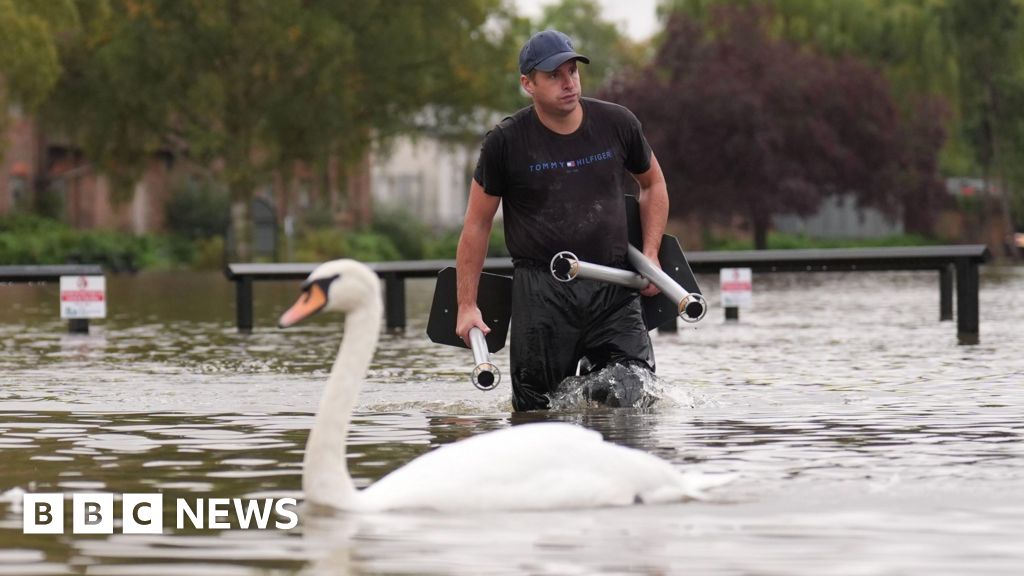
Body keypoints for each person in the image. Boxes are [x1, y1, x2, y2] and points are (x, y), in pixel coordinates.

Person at [455, 29, 670, 411]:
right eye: (554, 75)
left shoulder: (617, 124)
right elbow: (477, 224)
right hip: (542, 295)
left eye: (572, 71)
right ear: (528, 84)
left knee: (633, 396)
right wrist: (466, 304)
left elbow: (652, 183)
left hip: (613, 287)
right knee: (537, 413)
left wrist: (650, 254)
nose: (568, 82)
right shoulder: (505, 142)